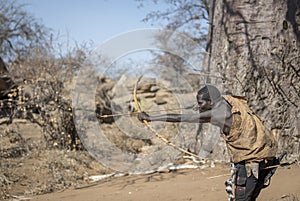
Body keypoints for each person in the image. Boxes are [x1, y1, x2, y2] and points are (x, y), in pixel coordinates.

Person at [137, 85, 278, 201]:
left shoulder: (217, 114)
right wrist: (200, 106)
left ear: (211, 102)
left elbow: (180, 118)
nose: (199, 106)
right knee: (250, 195)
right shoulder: (228, 99)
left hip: (251, 158)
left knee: (243, 198)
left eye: (201, 103)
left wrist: (150, 118)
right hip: (263, 150)